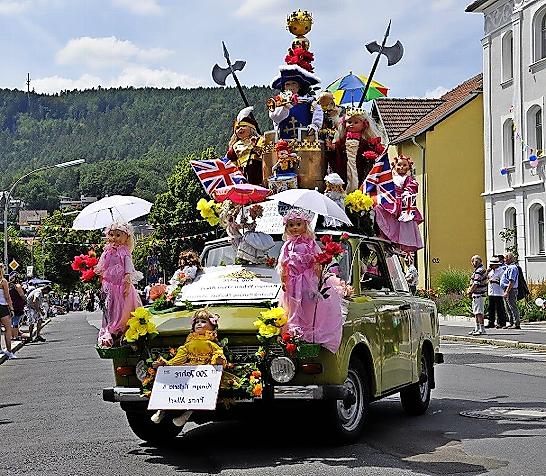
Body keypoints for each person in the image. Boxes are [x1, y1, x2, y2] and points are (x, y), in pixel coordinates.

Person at [277, 208, 343, 353]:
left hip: (307, 282)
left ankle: (309, 335)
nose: (294, 228)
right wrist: (283, 280)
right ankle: (295, 336)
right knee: (293, 309)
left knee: (308, 307)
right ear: (286, 228)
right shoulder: (287, 246)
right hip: (292, 283)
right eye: (291, 225)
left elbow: (317, 261)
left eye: (298, 224)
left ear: (305, 225)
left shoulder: (310, 243)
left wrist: (317, 278)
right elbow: (283, 264)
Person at [150, 309, 226, 427]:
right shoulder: (188, 344)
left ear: (212, 326)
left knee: (198, 394)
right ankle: (161, 411)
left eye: (203, 321)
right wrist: (166, 364)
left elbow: (218, 353)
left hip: (204, 369)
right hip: (189, 369)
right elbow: (179, 358)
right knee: (173, 387)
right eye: (197, 322)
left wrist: (217, 361)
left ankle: (185, 416)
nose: (199, 324)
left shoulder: (212, 344)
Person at [94, 222, 142, 348]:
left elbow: (128, 267)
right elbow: (102, 267)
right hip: (109, 285)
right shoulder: (107, 251)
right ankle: (110, 330)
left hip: (121, 285)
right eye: (111, 235)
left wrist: (127, 278)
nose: (114, 238)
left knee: (123, 309)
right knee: (110, 308)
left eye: (118, 235)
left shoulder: (124, 252)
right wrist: (100, 279)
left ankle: (122, 331)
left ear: (126, 237)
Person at [328, 108, 385, 193]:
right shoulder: (342, 140)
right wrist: (333, 147)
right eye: (349, 122)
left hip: (359, 166)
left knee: (359, 180)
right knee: (345, 179)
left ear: (364, 124)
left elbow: (374, 150)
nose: (352, 125)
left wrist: (370, 155)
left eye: (356, 122)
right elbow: (338, 148)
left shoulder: (366, 141)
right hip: (345, 165)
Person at [374, 155, 424, 253]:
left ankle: (399, 244)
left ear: (409, 167)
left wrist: (407, 193)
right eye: (399, 165)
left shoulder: (408, 179)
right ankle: (386, 236)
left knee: (404, 226)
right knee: (379, 209)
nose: (401, 167)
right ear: (394, 166)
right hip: (391, 201)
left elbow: (412, 188)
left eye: (404, 165)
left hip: (402, 203)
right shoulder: (390, 178)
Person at [226, 106, 263, 185]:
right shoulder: (234, 147)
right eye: (237, 128)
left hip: (260, 173)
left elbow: (267, 157)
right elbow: (230, 165)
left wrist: (255, 147)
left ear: (251, 128)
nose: (240, 129)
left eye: (243, 126)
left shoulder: (260, 140)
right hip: (243, 177)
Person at [467, 255, 488, 335]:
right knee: (476, 312)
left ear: (480, 261)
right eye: (473, 261)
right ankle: (477, 328)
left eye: (476, 261)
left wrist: (470, 291)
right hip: (477, 294)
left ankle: (482, 329)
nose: (474, 263)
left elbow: (476, 283)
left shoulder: (479, 270)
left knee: (479, 312)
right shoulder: (478, 270)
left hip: (479, 294)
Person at [500, 252, 521, 329]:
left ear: (510, 259)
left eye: (505, 258)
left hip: (511, 290)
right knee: (508, 307)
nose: (504, 260)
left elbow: (511, 281)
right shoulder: (508, 267)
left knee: (512, 306)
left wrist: (507, 291)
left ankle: (516, 323)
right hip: (507, 289)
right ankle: (511, 322)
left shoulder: (513, 268)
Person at [0, 264, 16, 359]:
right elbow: (7, 296)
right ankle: (9, 351)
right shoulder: (3, 281)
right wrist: (11, 308)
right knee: (8, 329)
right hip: (2, 306)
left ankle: (0, 349)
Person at [486, 256, 507, 328]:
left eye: (492, 264)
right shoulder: (490, 271)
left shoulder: (501, 271)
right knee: (491, 308)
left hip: (498, 292)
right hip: (491, 292)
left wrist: (495, 281)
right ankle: (491, 322)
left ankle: (502, 322)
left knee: (500, 308)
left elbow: (503, 282)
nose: (491, 265)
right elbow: (486, 278)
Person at [8, 274, 26, 341]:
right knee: (16, 321)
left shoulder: (8, 286)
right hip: (17, 305)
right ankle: (15, 336)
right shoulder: (17, 286)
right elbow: (22, 295)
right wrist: (25, 299)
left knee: (11, 322)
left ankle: (12, 336)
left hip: (10, 306)